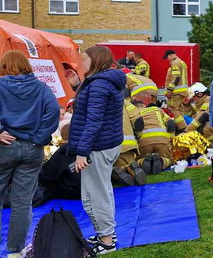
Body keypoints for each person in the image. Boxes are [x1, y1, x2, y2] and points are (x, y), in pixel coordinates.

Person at [0, 50, 61, 258]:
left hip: (5, 148)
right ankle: (15, 251)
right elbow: (53, 111)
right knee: (22, 202)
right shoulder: (41, 88)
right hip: (31, 149)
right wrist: (39, 137)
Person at [66, 46, 126, 255]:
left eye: (83, 59)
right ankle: (107, 233)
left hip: (97, 147)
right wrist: (76, 86)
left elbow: (93, 121)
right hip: (106, 144)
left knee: (93, 195)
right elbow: (91, 106)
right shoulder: (102, 81)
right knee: (103, 190)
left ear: (96, 61)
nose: (80, 63)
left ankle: (106, 240)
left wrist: (83, 152)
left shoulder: (99, 84)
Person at [132, 90, 175, 175]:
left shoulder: (133, 114)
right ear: (144, 105)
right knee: (169, 159)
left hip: (144, 142)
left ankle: (143, 162)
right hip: (162, 140)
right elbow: (171, 123)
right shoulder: (157, 110)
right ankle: (162, 162)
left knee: (138, 159)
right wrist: (170, 139)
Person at [164, 49, 190, 130]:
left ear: (171, 55)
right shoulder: (182, 62)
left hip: (176, 92)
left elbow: (176, 77)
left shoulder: (175, 63)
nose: (168, 59)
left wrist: (169, 90)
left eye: (167, 57)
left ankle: (183, 128)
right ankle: (181, 128)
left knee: (172, 109)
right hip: (183, 92)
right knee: (180, 111)